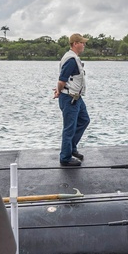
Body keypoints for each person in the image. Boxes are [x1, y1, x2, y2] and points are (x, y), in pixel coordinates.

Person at [54, 33, 90, 166]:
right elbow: (62, 79)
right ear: (75, 44)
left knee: (84, 120)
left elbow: (68, 79)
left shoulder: (74, 58)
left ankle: (71, 148)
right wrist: (59, 90)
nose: (84, 45)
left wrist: (60, 89)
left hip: (77, 98)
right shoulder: (71, 60)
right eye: (82, 43)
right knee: (69, 128)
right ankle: (65, 158)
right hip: (70, 99)